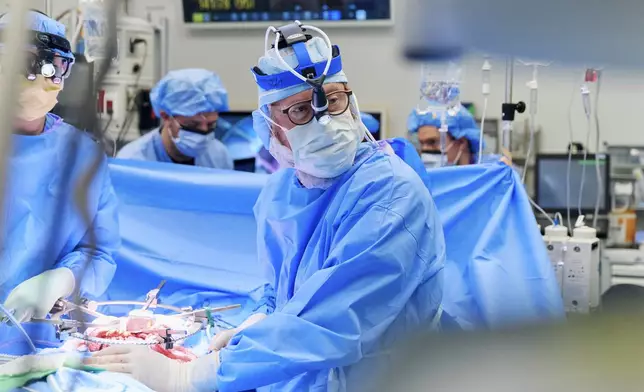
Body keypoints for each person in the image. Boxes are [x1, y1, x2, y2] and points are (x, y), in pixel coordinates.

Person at [88, 22, 445, 392]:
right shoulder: (283, 192)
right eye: (301, 110)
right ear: (270, 127)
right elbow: (283, 290)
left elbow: (332, 323)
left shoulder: (391, 196)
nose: (325, 121)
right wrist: (261, 316)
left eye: (334, 100)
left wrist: (193, 374)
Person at [0, 11, 119, 354]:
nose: (41, 78)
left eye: (55, 67)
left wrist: (61, 280)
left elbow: (99, 251)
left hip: (46, 339)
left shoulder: (82, 155)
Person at [117, 69, 234, 169]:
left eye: (211, 124)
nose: (203, 131)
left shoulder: (219, 157)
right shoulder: (132, 162)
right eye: (192, 125)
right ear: (166, 116)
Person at [407, 105, 486, 168]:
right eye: (421, 143)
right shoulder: (425, 181)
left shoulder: (486, 177)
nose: (425, 149)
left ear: (461, 142)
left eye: (432, 142)